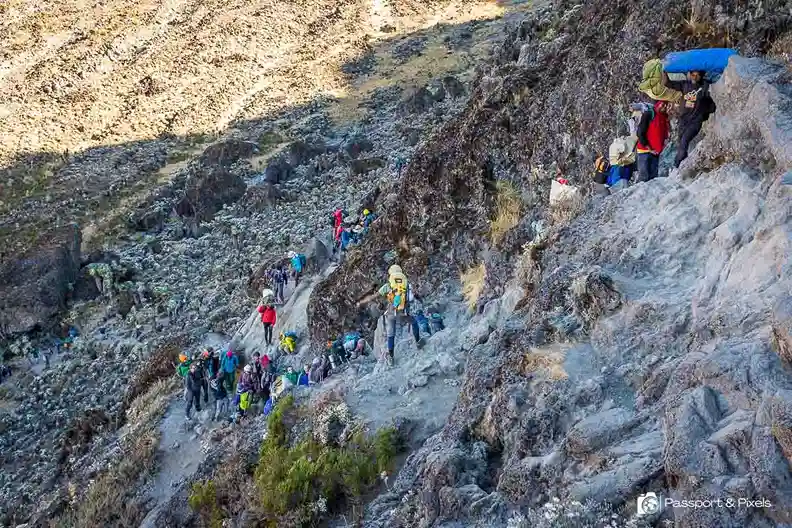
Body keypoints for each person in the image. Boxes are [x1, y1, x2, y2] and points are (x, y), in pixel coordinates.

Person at [662, 70, 716, 168]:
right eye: (692, 75)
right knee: (681, 143)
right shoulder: (684, 84)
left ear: (701, 76)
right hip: (683, 120)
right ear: (689, 75)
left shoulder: (705, 86)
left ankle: (677, 165)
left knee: (684, 141)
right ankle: (683, 166)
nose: (694, 77)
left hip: (695, 121)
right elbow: (668, 83)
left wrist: (706, 110)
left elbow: (713, 100)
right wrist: (664, 73)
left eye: (697, 75)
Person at [377, 264, 422, 366]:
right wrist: (420, 300)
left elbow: (379, 298)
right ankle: (418, 341)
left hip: (391, 313)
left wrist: (380, 305)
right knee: (414, 323)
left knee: (391, 333)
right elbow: (414, 295)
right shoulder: (406, 284)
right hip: (403, 312)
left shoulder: (388, 285)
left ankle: (391, 356)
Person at [635, 101, 670, 182]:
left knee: (653, 178)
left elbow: (664, 135)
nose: (665, 107)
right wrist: (649, 148)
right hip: (645, 151)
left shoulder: (664, 117)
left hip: (656, 152)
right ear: (658, 103)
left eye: (667, 105)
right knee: (644, 177)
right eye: (663, 104)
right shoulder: (649, 114)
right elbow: (640, 133)